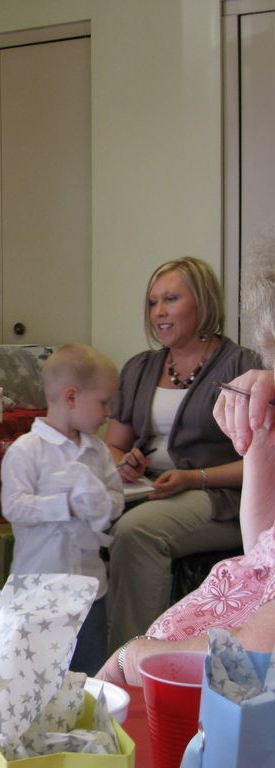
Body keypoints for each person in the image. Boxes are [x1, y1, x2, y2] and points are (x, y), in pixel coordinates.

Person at [98, 240, 275, 685]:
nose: (159, 311)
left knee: (137, 531)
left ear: (205, 303)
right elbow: (114, 444)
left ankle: (136, 659)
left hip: (215, 492)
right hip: (153, 487)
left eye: (171, 299)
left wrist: (193, 477)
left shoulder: (242, 364)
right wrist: (127, 465)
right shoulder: (140, 367)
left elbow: (256, 461)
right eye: (153, 301)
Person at [0, 344, 124, 674]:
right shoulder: (27, 451)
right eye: (103, 402)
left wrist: (103, 502)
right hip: (40, 585)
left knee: (87, 672)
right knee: (36, 672)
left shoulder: (97, 451)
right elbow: (14, 506)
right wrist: (66, 505)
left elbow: (115, 498)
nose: (109, 412)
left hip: (89, 588)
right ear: (71, 397)